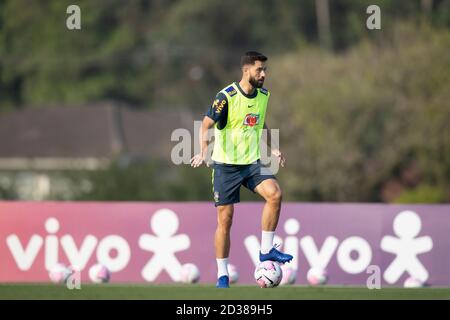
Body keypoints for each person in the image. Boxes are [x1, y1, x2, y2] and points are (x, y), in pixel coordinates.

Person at [191, 51, 292, 288]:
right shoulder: (225, 97)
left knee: (275, 194)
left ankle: (266, 249)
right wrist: (202, 151)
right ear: (246, 70)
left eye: (265, 69)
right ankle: (223, 275)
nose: (264, 74)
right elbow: (206, 123)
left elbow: (261, 121)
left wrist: (273, 148)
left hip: (251, 163)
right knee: (225, 221)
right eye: (259, 69)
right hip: (226, 166)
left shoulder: (263, 96)